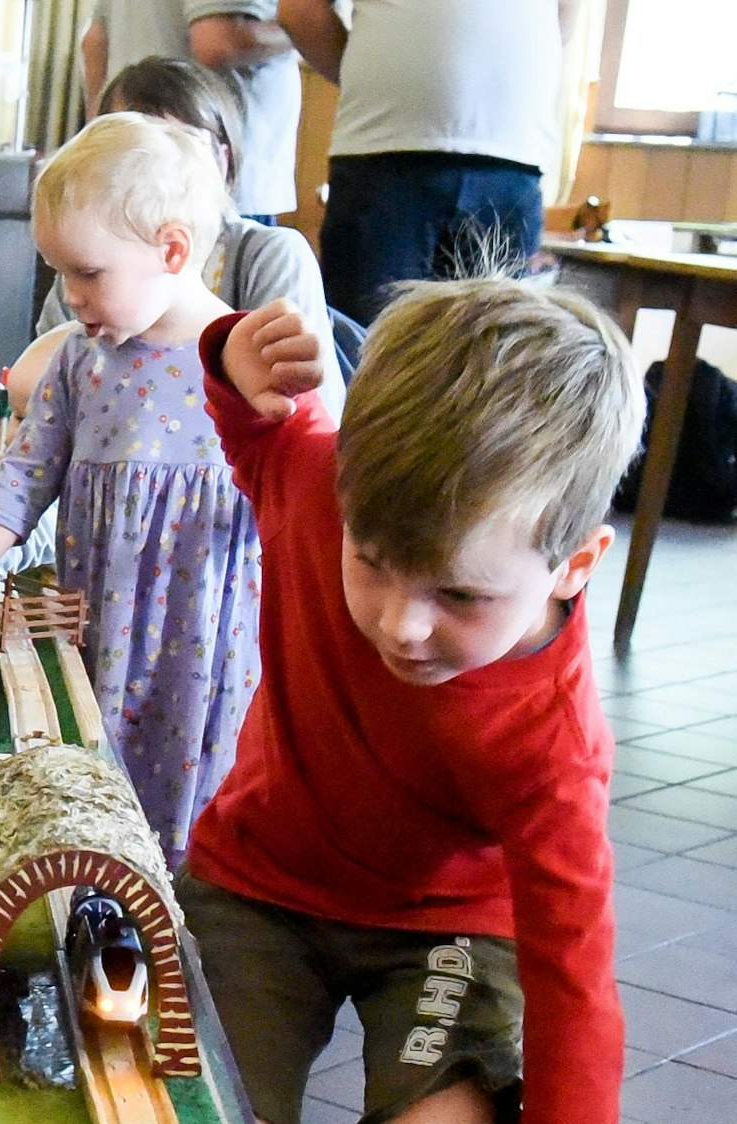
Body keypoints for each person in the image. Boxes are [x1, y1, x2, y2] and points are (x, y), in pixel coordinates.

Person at [185, 280, 639, 1123]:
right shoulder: (321, 481)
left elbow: (572, 977)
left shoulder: (553, 741)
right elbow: (256, 431)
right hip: (258, 887)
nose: (401, 625)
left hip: (448, 927)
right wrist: (228, 355)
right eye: (371, 561)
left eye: (460, 596)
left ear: (575, 565)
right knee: (194, 1101)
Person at [0, 113, 260, 867]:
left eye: (89, 274)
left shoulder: (243, 364)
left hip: (203, 656)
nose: (70, 298)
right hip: (97, 644)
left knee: (197, 825)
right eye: (60, 274)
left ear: (171, 250)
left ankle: (182, 943)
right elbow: (22, 481)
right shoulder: (81, 364)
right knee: (92, 804)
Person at [34, 56, 343, 415]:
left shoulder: (267, 255)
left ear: (223, 159)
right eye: (129, 150)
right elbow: (43, 398)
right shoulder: (86, 266)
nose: (153, 171)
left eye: (184, 143)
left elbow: (308, 410)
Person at [277, 0, 574, 327]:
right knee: (362, 346)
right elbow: (300, 9)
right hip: (384, 156)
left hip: (509, 162)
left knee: (495, 359)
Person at [81, 0, 300, 224]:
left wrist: (99, 142)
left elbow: (94, 42)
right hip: (210, 180)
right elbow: (216, 42)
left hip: (132, 164)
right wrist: (306, 29)